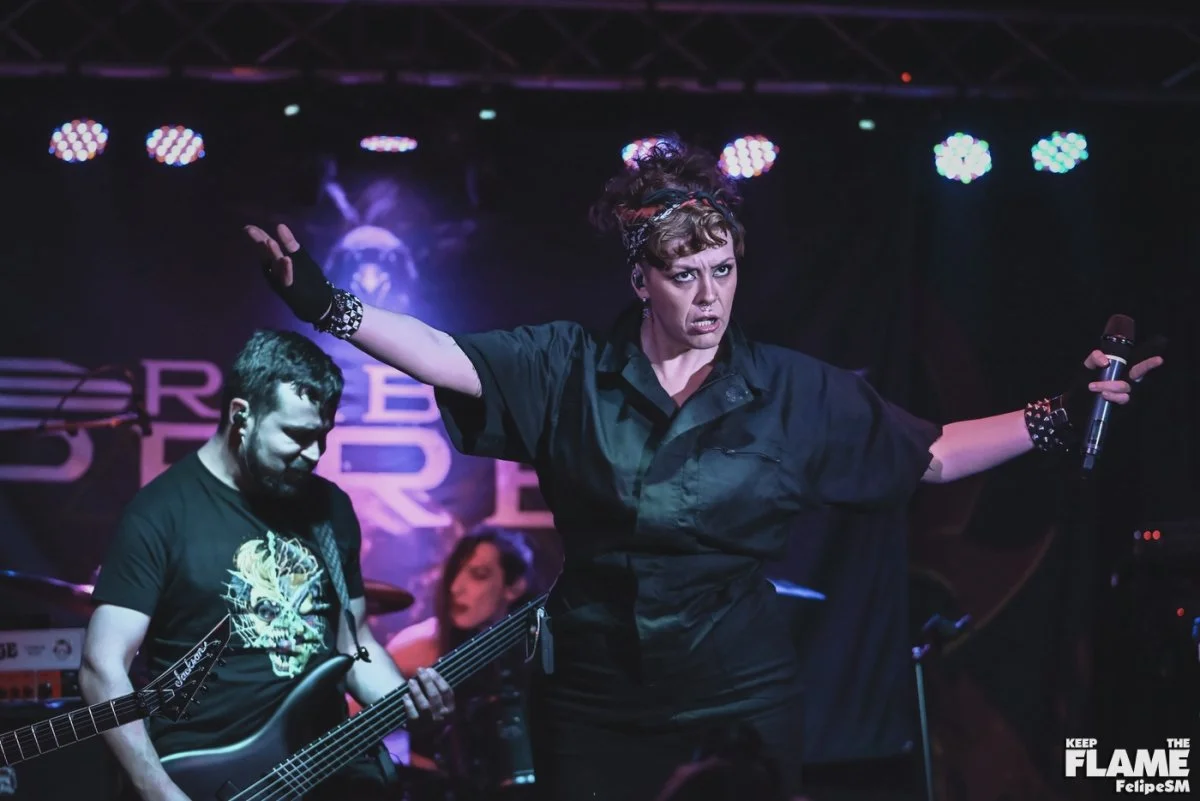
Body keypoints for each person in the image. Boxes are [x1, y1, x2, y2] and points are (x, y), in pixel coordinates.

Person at [244, 139, 1165, 801]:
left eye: (722, 269)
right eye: (686, 274)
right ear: (641, 278)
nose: (709, 294)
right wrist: (322, 302)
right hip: (595, 692)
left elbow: (931, 452)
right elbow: (444, 354)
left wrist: (1060, 415)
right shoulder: (568, 366)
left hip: (738, 690)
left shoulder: (790, 390)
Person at [80, 330, 455, 801]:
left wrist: (407, 703)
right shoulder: (161, 513)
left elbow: (353, 644)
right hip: (210, 779)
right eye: (298, 435)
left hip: (321, 770)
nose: (316, 454)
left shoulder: (329, 509)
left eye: (322, 436)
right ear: (242, 415)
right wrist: (157, 790)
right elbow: (101, 666)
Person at [386, 528, 536, 798]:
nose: (456, 588)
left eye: (478, 575)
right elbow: (348, 721)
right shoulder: (418, 647)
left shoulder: (537, 653)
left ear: (514, 587)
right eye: (456, 572)